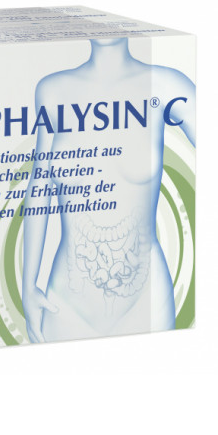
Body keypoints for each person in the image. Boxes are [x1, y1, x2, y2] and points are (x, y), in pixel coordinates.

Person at [22, 38, 195, 343]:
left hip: (146, 299)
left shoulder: (166, 85)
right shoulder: (53, 90)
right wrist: (27, 285)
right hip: (67, 302)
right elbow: (40, 185)